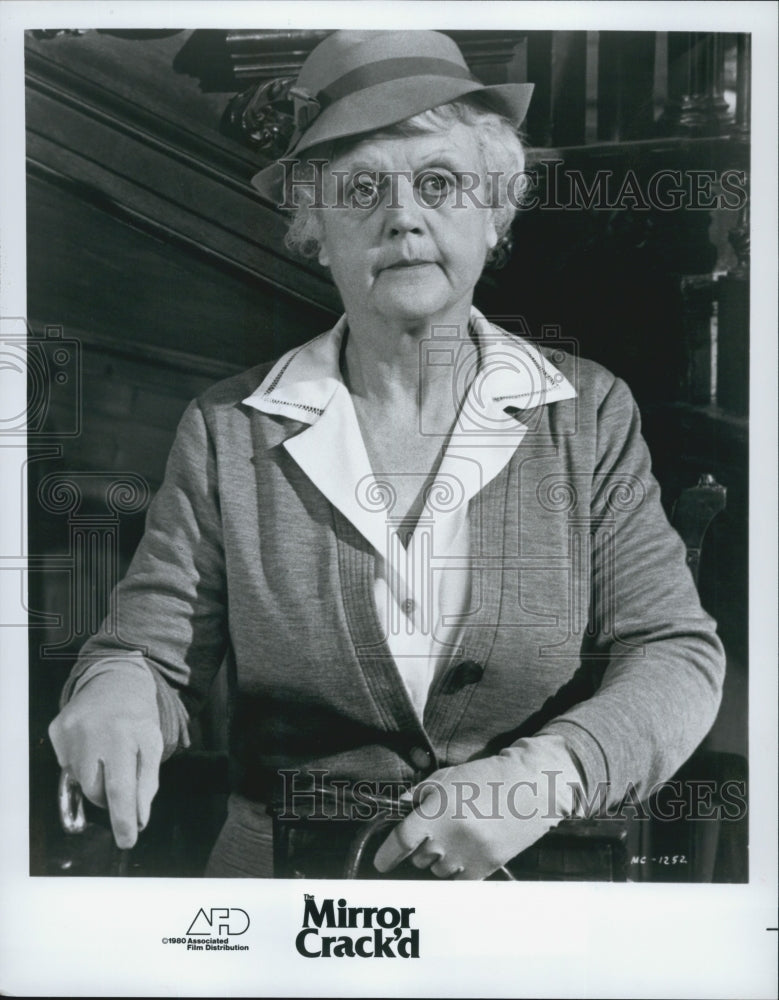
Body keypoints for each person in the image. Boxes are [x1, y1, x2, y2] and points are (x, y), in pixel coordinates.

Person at [49, 30, 725, 880]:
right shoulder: (229, 426)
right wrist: (118, 692)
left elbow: (676, 651)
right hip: (285, 893)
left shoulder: (585, 413)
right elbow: (147, 653)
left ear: (493, 215)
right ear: (314, 230)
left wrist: (541, 777)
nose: (402, 215)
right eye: (361, 188)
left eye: (438, 183)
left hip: (534, 882)